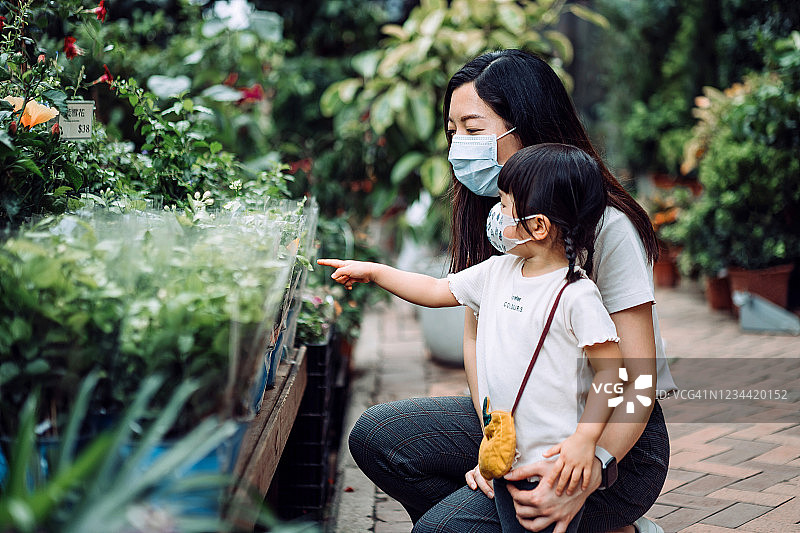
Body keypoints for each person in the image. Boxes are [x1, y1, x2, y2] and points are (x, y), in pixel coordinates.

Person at [348, 49, 676, 533]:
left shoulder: (606, 227)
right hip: (521, 422)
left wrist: (592, 465)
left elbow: (637, 378)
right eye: (453, 132)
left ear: (530, 129)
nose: (459, 147)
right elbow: (474, 336)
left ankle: (596, 521)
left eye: (474, 130)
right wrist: (492, 437)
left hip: (611, 443)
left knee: (440, 531)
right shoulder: (502, 220)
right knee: (379, 435)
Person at [321, 144, 628, 533]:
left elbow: (612, 372)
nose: (496, 214)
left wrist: (585, 440)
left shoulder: (577, 296)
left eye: (505, 204)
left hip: (550, 470)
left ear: (538, 226)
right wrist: (376, 272)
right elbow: (435, 290)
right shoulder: (498, 271)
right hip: (503, 454)